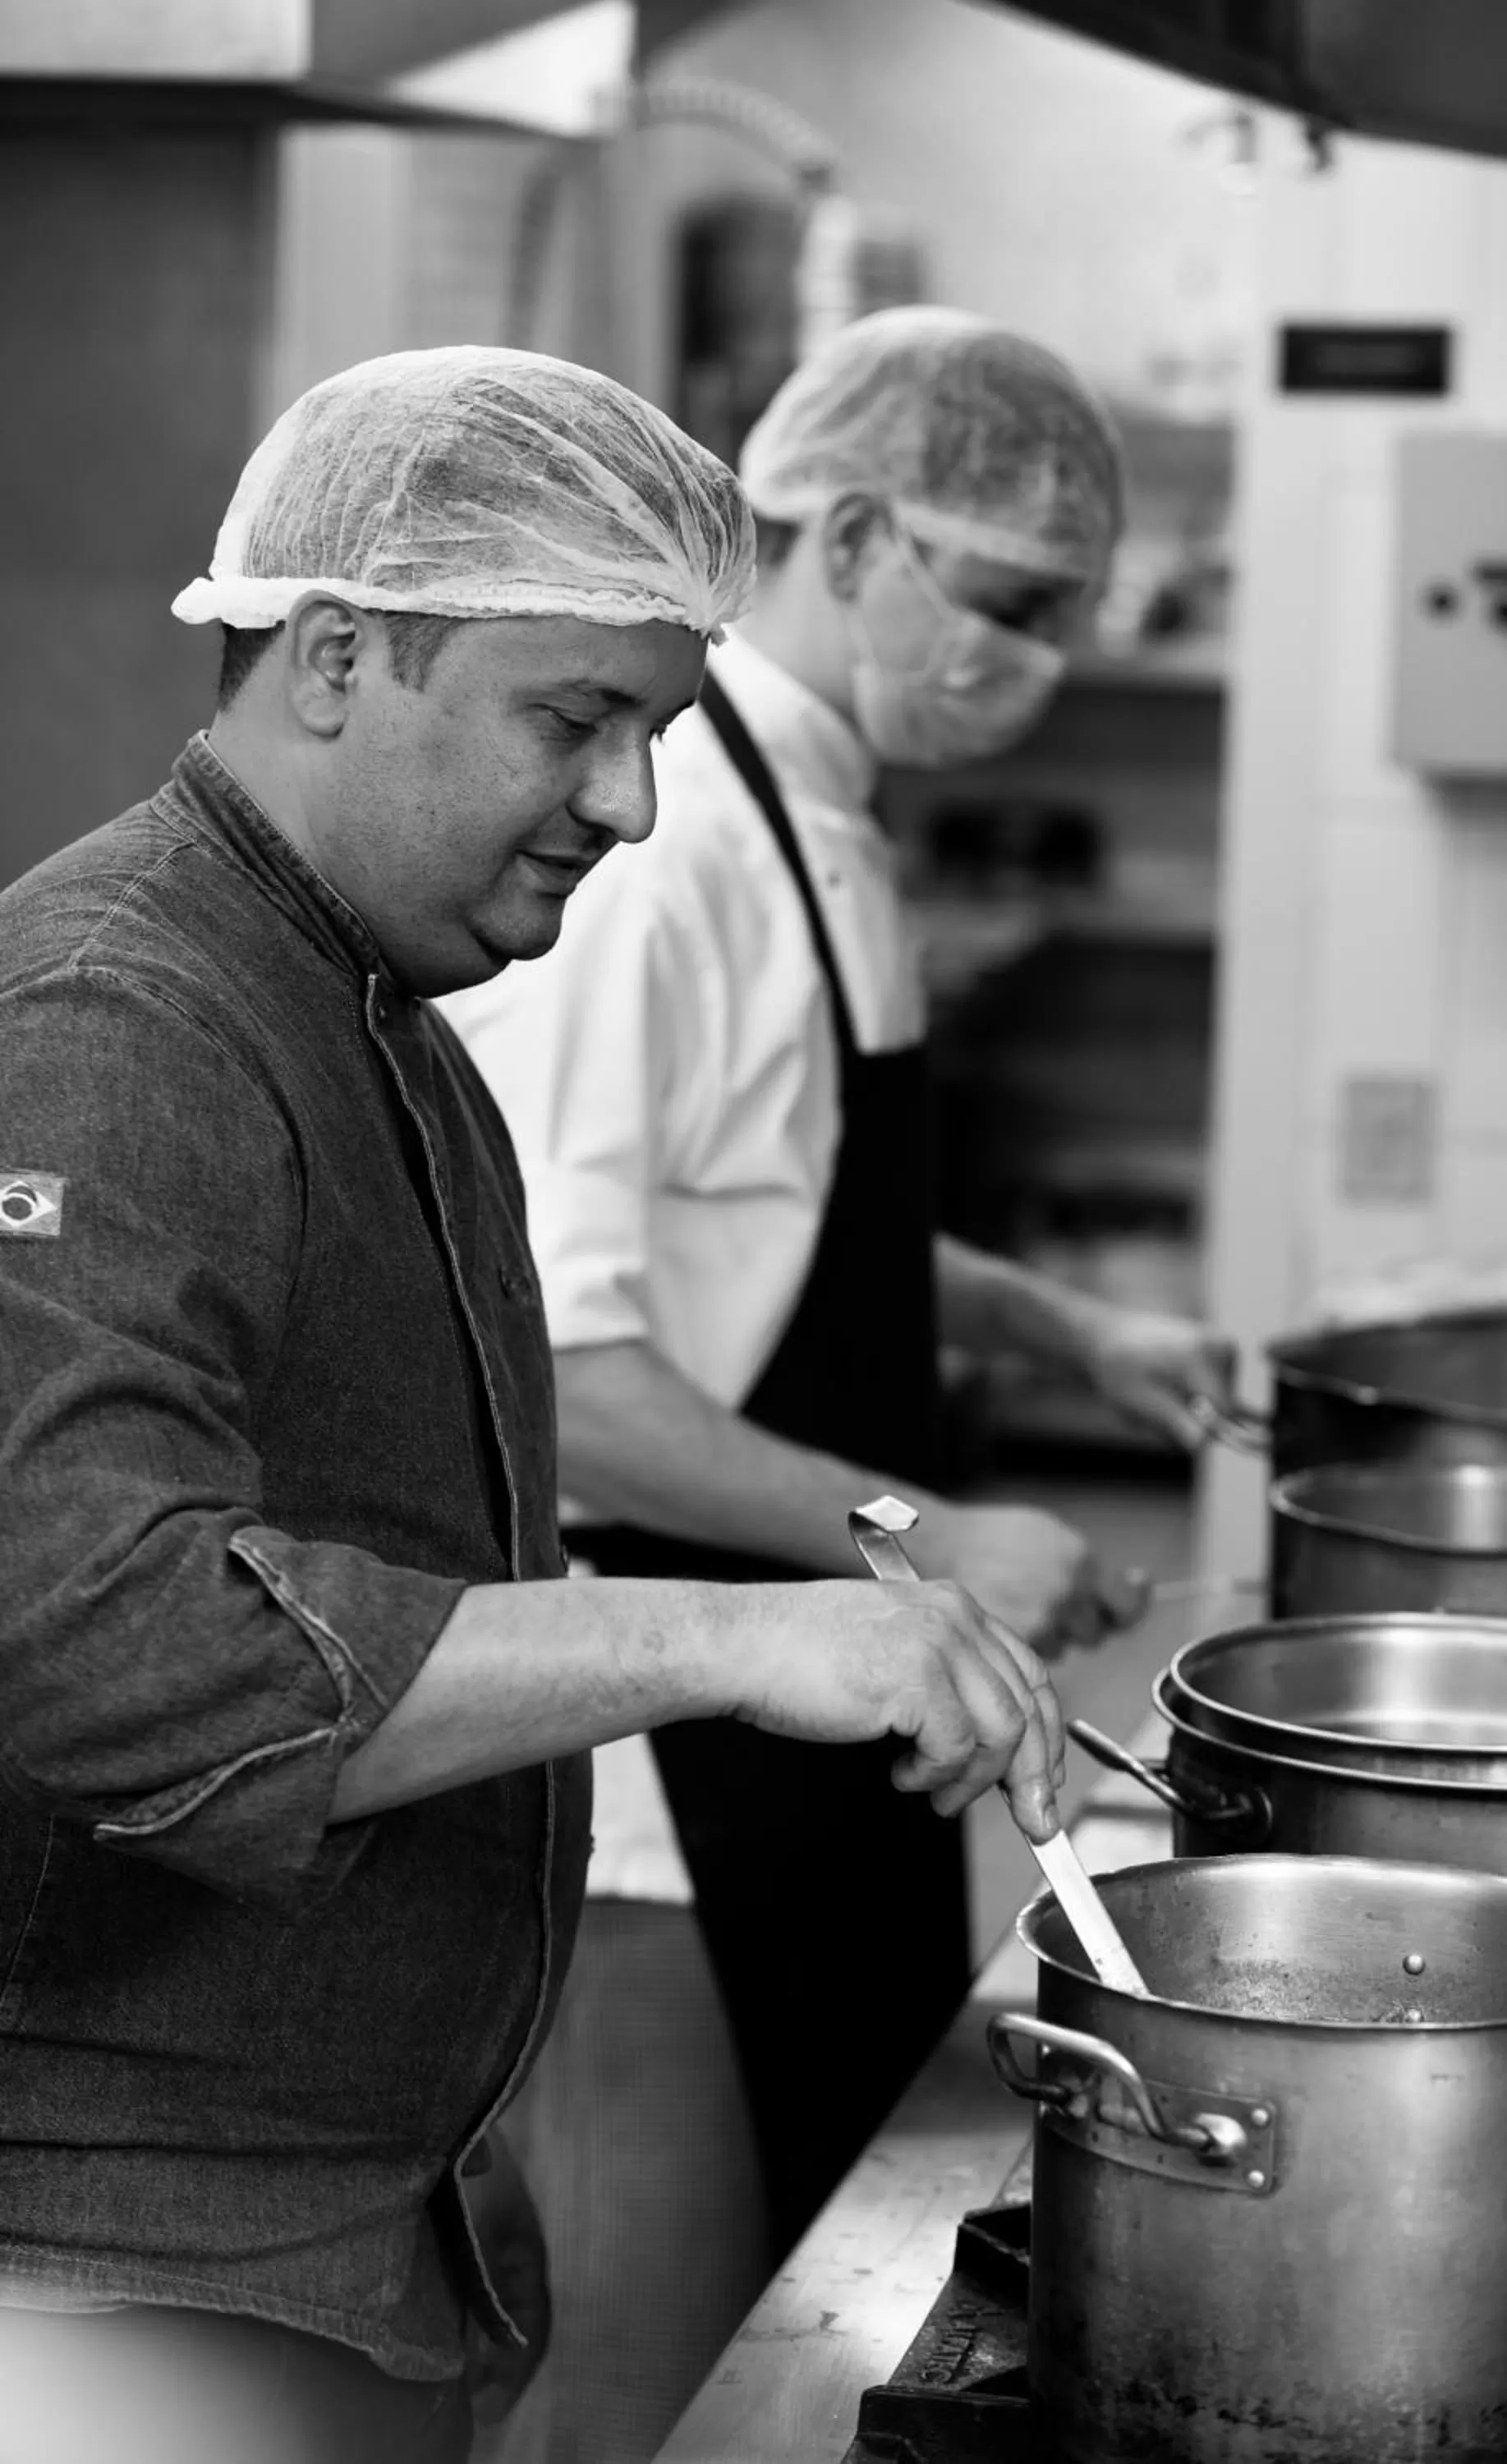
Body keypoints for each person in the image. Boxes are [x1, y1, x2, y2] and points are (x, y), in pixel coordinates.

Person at [0, 344, 1067, 2464]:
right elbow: (95, 1642)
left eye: (655, 731)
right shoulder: (125, 1014)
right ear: (332, 654)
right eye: (572, 720)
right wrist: (734, 1634)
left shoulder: (377, 1012)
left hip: (353, 2237)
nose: (631, 804)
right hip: (129, 2278)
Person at [443, 308, 1236, 2401]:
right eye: (1016, 602)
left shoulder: (828, 818)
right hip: (654, 1778)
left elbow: (806, 1213)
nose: (1044, 658)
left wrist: (1066, 1321)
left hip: (818, 1708)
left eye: (1078, 615)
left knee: (800, 2324)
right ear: (859, 533)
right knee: (655, 2366)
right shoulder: (665, 846)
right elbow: (564, 1369)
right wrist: (921, 1524)